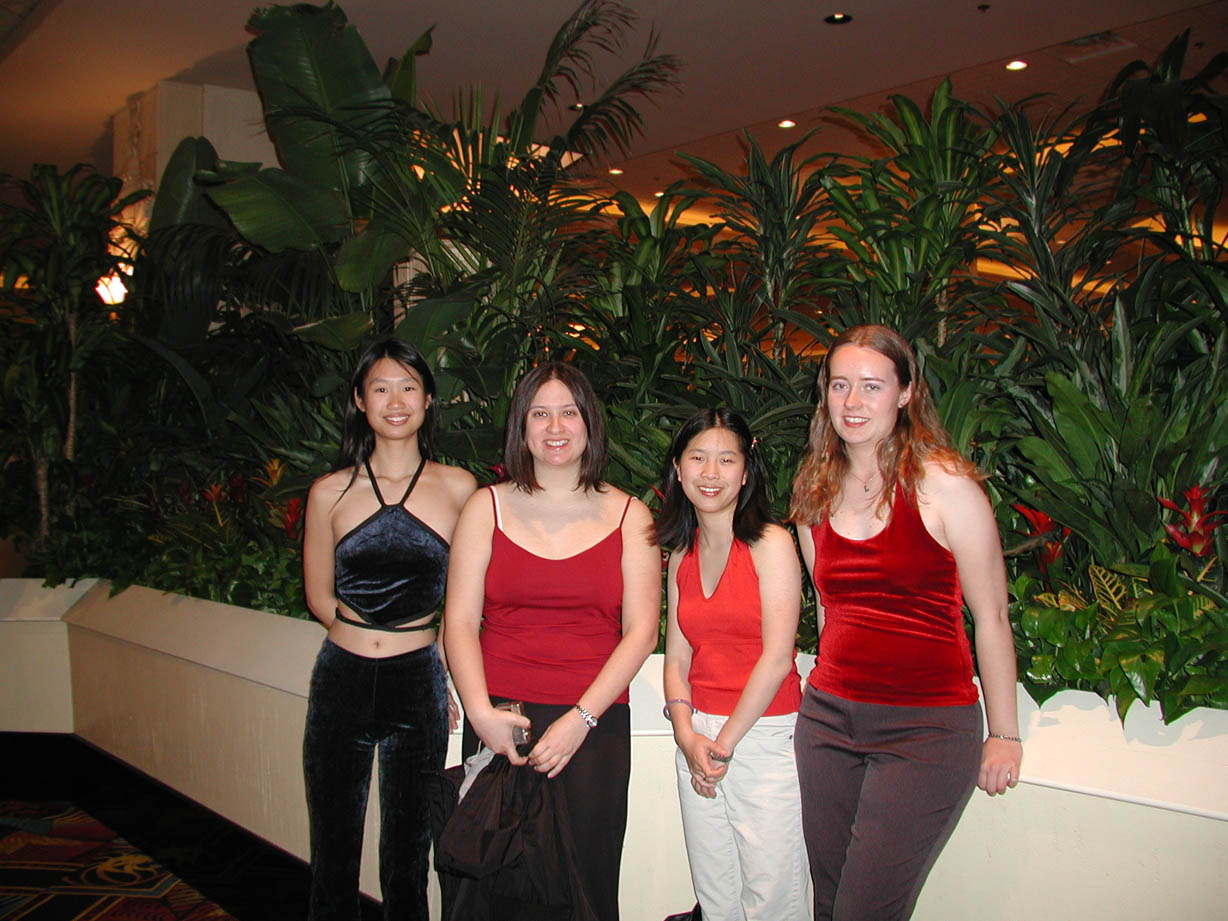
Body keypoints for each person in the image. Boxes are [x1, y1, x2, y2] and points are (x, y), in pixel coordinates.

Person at [788, 324, 1023, 921]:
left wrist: (1004, 732)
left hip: (926, 729)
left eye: (872, 386)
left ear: (906, 393)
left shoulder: (945, 485)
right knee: (829, 903)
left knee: (863, 910)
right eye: (840, 385)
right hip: (828, 723)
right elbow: (828, 608)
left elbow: (992, 616)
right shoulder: (814, 488)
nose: (852, 401)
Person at [444, 361, 659, 921]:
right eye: (540, 413)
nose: (555, 427)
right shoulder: (485, 507)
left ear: (590, 423)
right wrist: (481, 715)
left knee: (583, 887)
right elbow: (459, 622)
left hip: (593, 726)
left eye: (569, 412)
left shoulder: (631, 515)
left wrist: (581, 719)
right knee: (487, 891)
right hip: (501, 719)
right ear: (521, 424)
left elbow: (641, 632)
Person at [301, 338, 477, 921]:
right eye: (380, 388)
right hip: (340, 679)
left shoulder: (460, 488)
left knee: (408, 854)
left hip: (416, 679)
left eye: (408, 387)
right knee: (332, 849)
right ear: (359, 400)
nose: (395, 401)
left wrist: (445, 669)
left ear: (428, 399)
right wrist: (360, 638)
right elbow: (319, 596)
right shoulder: (328, 492)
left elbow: (466, 599)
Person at [657, 409, 808, 921]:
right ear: (678, 469)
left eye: (726, 460)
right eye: (697, 458)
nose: (710, 473)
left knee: (774, 899)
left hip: (763, 735)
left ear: (746, 472)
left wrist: (722, 746)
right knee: (716, 892)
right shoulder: (682, 555)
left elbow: (777, 657)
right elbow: (677, 658)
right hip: (698, 734)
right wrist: (687, 736)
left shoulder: (771, 543)